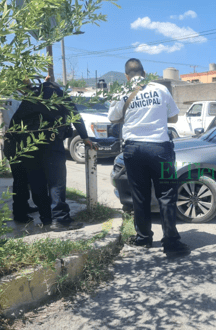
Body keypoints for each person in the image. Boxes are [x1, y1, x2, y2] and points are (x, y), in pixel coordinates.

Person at [108, 58, 190, 255]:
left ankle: (143, 239)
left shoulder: (122, 92)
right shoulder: (160, 89)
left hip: (133, 150)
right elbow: (174, 117)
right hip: (159, 150)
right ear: (144, 73)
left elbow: (112, 117)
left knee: (140, 196)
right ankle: (171, 241)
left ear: (127, 76)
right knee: (166, 195)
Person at [10, 77, 96, 229]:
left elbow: (15, 121)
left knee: (37, 181)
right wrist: (85, 137)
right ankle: (60, 219)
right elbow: (75, 117)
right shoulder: (59, 94)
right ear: (56, 86)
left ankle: (46, 218)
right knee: (56, 181)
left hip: (28, 144)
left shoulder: (32, 96)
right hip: (51, 142)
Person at [2, 94, 38, 223]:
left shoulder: (11, 97)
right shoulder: (14, 98)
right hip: (17, 141)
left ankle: (23, 207)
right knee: (21, 180)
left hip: (13, 139)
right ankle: (19, 213)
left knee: (21, 179)